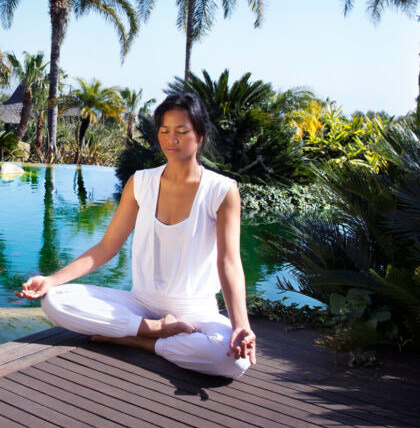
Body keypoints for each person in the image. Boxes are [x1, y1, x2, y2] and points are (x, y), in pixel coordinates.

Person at [16, 93, 256, 378]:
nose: (171, 139)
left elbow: (229, 263)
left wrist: (240, 324)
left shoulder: (222, 190)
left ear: (200, 135)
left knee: (232, 361)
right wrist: (51, 280)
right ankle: (153, 331)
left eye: (182, 132)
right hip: (141, 304)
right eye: (165, 131)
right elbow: (106, 247)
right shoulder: (141, 182)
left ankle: (136, 341)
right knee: (55, 300)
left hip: (196, 312)